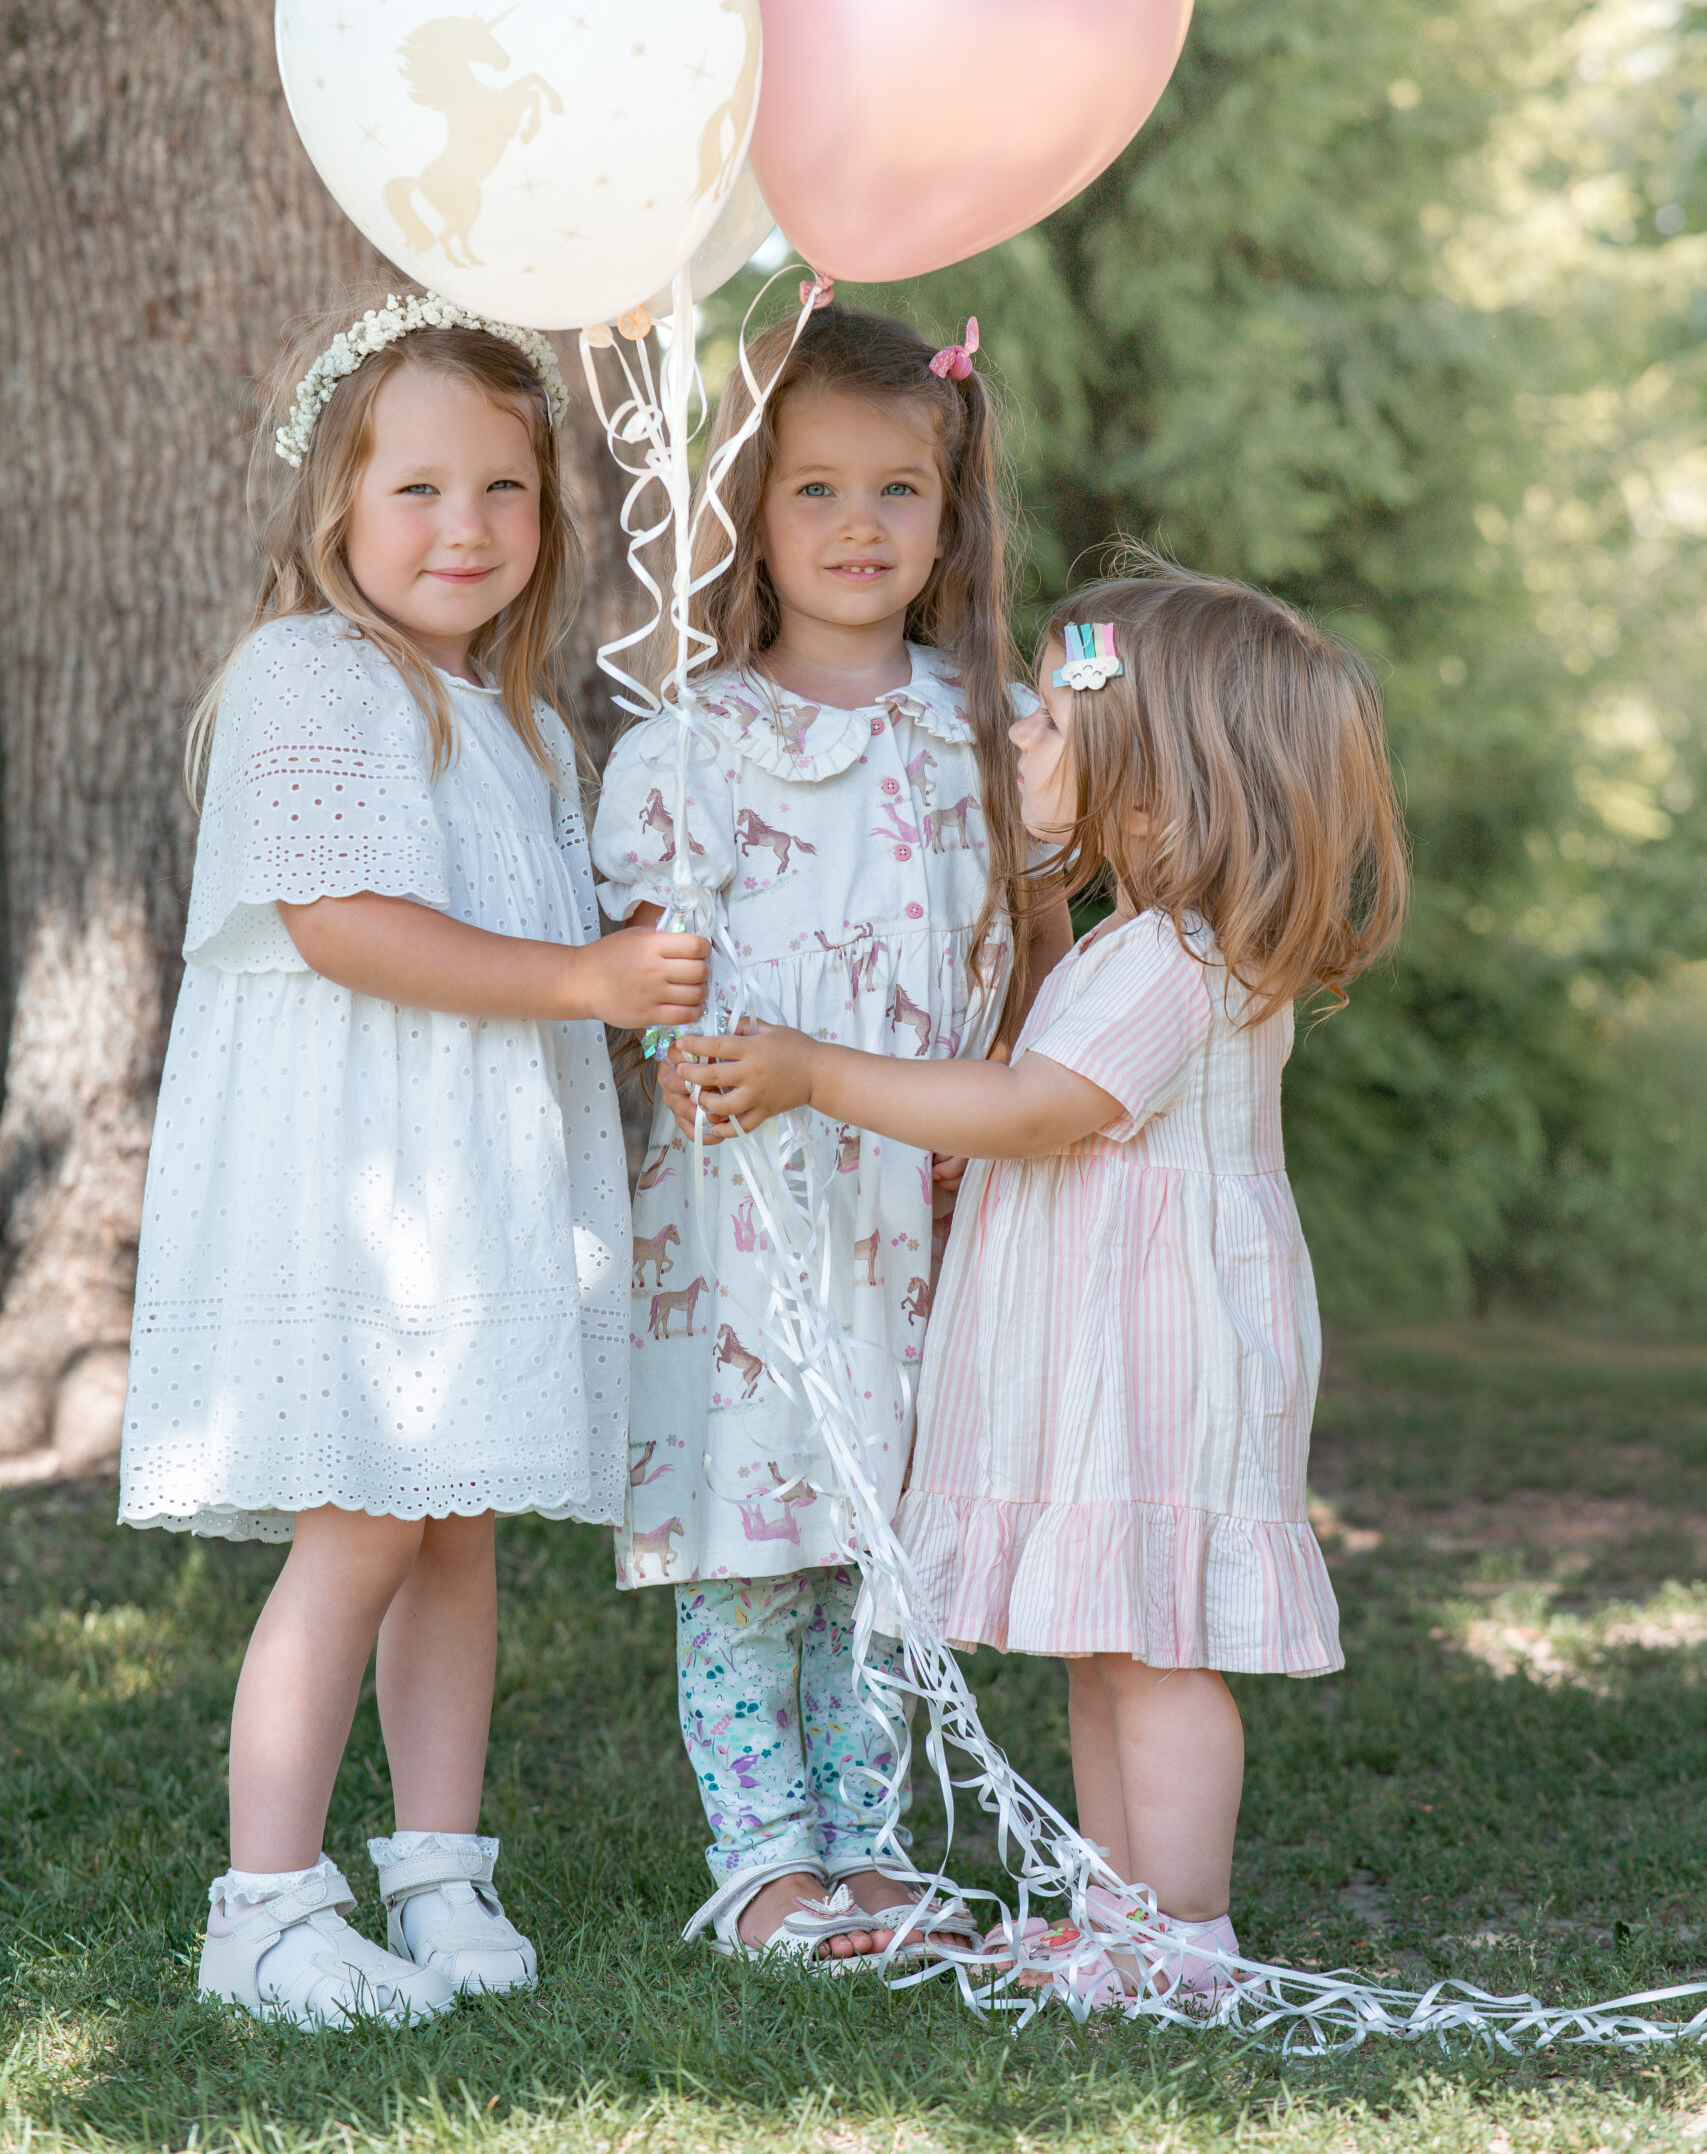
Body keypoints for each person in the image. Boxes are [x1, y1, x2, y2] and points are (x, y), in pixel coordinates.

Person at [665, 557, 1408, 2007]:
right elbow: (1050, 1118)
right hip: (1104, 1341)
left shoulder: (1174, 959)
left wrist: (815, 1072)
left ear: (1154, 790)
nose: (1019, 731)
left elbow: (1038, 1107)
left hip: (1155, 1352)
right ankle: (1117, 1917)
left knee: (1155, 1646)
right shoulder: (1140, 945)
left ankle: (1185, 1933)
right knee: (1105, 1640)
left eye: (1055, 725)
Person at [118, 291, 709, 2029]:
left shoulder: (519, 722)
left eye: (506, 488)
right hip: (361, 1185)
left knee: (456, 1531)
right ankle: (263, 1909)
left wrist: (634, 953)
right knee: (365, 1526)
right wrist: (583, 981)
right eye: (421, 490)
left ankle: (439, 1868)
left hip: (476, 1186)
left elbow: (539, 950)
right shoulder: (310, 676)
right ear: (338, 508)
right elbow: (346, 924)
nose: (469, 527)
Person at [590, 302, 1071, 1968]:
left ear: (949, 516)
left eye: (896, 491)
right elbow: (648, 970)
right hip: (753, 1201)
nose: (858, 525)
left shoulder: (994, 726)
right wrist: (673, 1041)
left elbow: (1037, 941)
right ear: (751, 510)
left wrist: (1004, 1080)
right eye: (814, 489)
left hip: (924, 1183)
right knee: (753, 1526)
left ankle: (870, 1851)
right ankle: (766, 1866)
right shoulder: (696, 742)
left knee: (889, 1534)